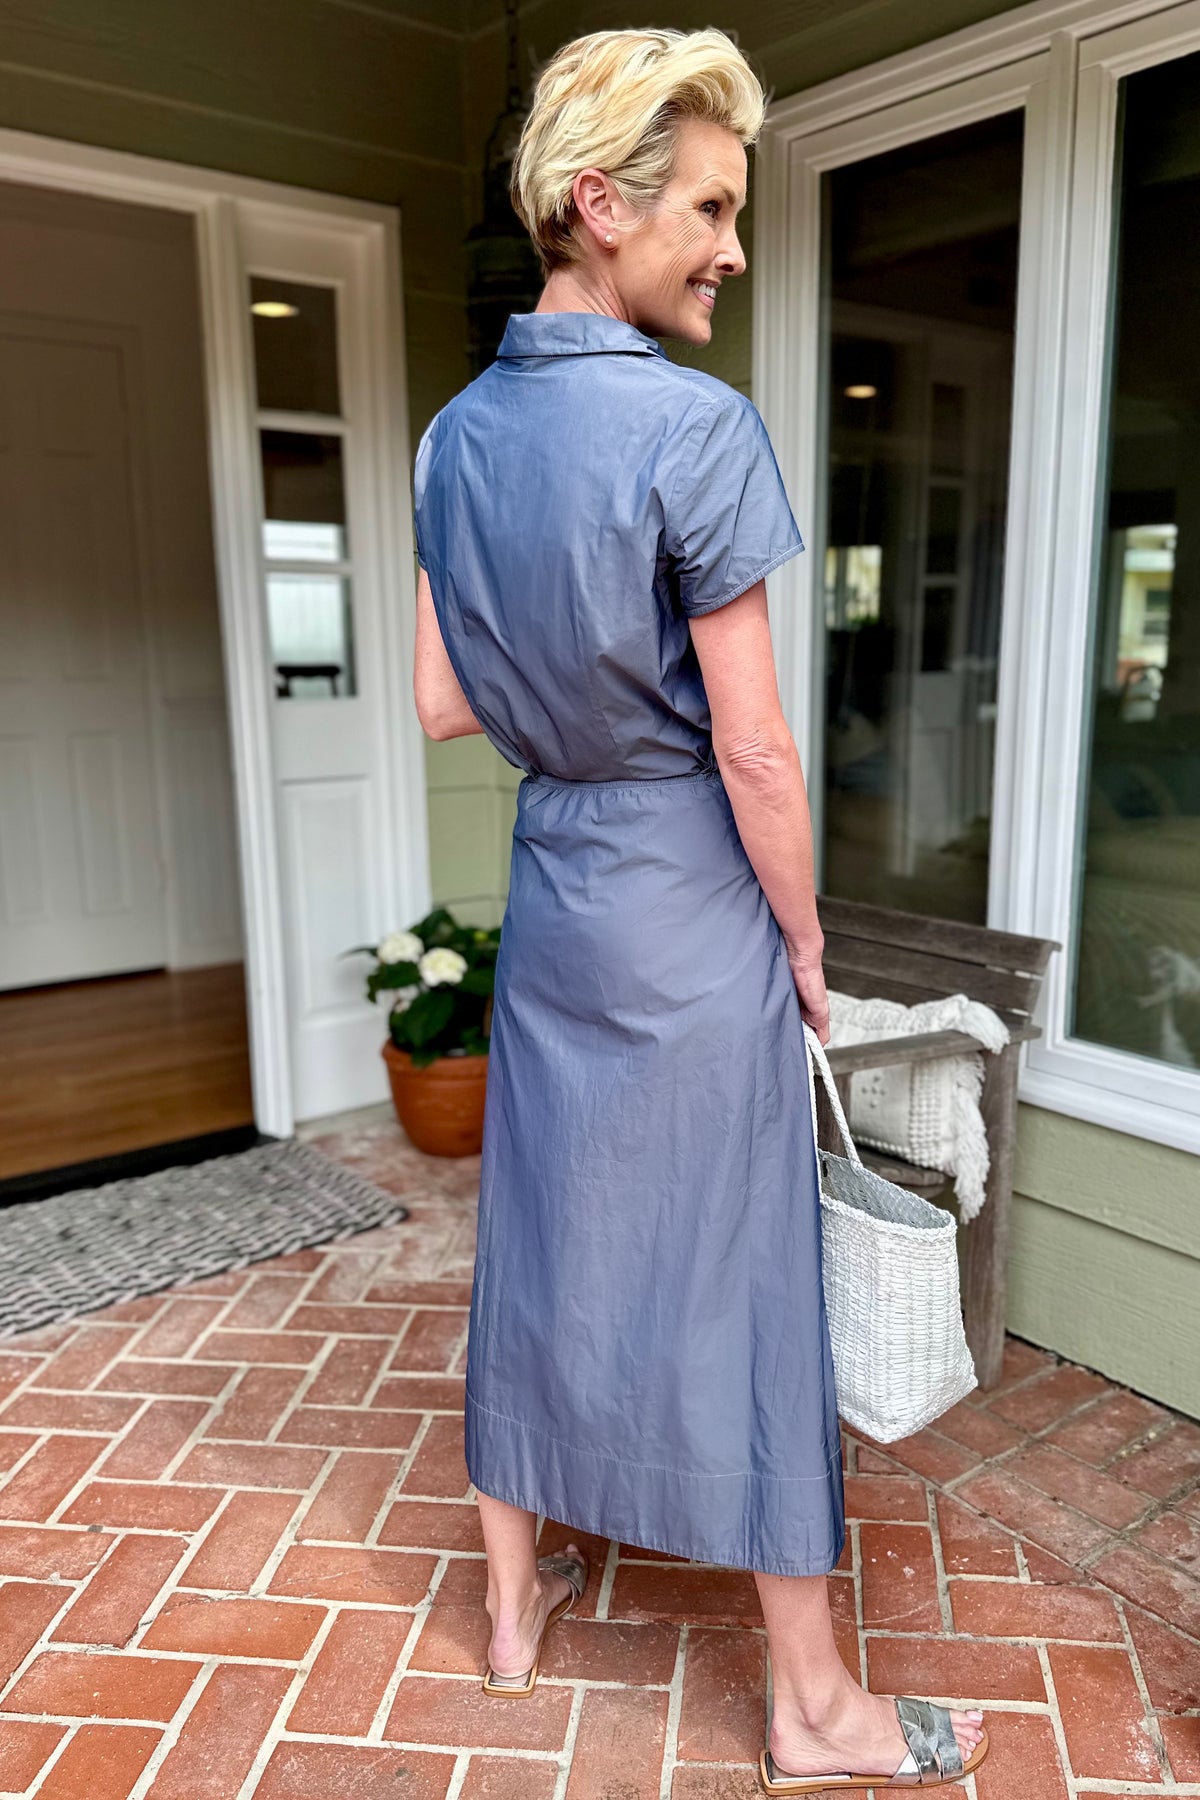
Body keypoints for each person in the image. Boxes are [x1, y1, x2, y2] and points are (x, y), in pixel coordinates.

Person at [412, 26, 989, 1793]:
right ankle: (811, 1703)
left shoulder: (453, 435)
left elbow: (440, 703)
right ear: (602, 204)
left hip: (559, 889)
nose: (735, 247)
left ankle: (512, 1619)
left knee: (540, 1235)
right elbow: (755, 749)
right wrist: (804, 940)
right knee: (739, 1270)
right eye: (716, 209)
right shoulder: (695, 426)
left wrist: (562, 685)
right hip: (687, 895)